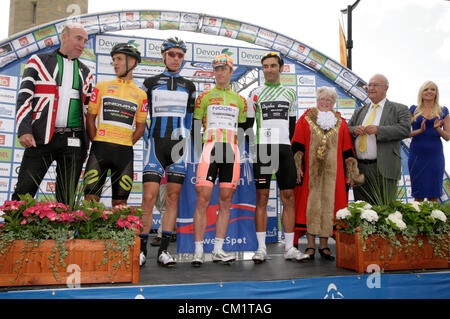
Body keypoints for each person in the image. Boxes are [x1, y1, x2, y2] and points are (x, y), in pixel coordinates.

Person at [12, 23, 94, 207]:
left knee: (67, 196)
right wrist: (24, 130)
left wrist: (88, 142)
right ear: (64, 37)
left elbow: (88, 109)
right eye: (78, 38)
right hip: (40, 138)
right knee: (24, 190)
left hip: (73, 140)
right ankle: (11, 232)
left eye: (85, 41)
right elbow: (25, 97)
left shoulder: (86, 72)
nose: (82, 44)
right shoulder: (38, 61)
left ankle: (63, 234)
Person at [246, 52, 309, 263]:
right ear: (262, 69)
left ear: (281, 68)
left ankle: (289, 247)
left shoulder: (290, 93)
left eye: (273, 66)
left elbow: (292, 126)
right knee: (262, 197)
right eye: (265, 66)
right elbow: (246, 126)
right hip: (264, 149)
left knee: (288, 197)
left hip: (284, 149)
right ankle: (261, 248)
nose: (269, 69)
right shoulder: (254, 93)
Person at [140, 37, 196, 267]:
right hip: (155, 145)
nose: (175, 58)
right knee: (148, 199)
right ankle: (141, 250)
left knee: (172, 199)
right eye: (171, 54)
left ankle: (164, 251)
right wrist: (147, 138)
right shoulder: (150, 82)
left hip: (178, 149)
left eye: (180, 55)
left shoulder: (189, 86)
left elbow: (190, 121)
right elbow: (142, 116)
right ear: (163, 56)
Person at [292, 87, 362, 260]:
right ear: (317, 100)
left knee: (329, 206)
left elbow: (347, 150)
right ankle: (309, 245)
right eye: (322, 99)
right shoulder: (305, 119)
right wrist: (297, 166)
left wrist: (351, 171)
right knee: (309, 205)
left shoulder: (341, 123)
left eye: (329, 100)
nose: (325, 102)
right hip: (310, 173)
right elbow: (297, 145)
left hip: (334, 174)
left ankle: (324, 245)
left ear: (333, 103)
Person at [191, 54, 248, 267]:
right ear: (213, 72)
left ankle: (217, 249)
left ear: (231, 72)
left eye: (224, 69)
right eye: (217, 69)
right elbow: (195, 127)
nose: (220, 72)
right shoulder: (204, 97)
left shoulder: (240, 101)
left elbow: (242, 129)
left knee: (226, 200)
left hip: (231, 151)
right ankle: (198, 250)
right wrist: (199, 152)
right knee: (202, 198)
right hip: (210, 149)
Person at [83, 43, 147, 207]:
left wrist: (125, 142)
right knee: (91, 200)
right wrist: (97, 141)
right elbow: (90, 118)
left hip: (124, 152)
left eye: (119, 59)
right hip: (100, 150)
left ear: (132, 61)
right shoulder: (101, 87)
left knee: (120, 203)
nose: (115, 63)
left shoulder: (141, 94)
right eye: (113, 60)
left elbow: (140, 127)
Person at [347, 74, 411, 205]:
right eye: (369, 85)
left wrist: (379, 130)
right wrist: (354, 130)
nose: (371, 88)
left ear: (386, 88)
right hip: (360, 169)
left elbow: (405, 130)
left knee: (384, 210)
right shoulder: (359, 111)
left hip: (384, 168)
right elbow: (347, 129)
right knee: (362, 210)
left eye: (375, 85)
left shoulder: (399, 109)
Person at [408, 81, 450, 202]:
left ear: (436, 93)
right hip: (417, 156)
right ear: (421, 92)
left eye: (433, 89)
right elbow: (405, 133)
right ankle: (417, 221)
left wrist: (437, 129)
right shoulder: (413, 110)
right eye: (426, 89)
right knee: (418, 195)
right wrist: (420, 130)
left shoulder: (443, 111)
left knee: (434, 195)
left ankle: (434, 220)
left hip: (435, 156)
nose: (429, 92)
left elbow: (447, 137)